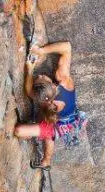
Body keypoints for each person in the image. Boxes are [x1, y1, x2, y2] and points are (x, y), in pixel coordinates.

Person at [14, 41, 87, 169]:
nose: (41, 74)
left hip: (64, 124)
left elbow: (30, 91)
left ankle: (46, 160)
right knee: (46, 132)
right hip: (63, 121)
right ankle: (46, 161)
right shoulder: (63, 82)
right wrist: (42, 51)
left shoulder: (49, 97)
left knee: (20, 131)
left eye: (41, 76)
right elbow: (67, 48)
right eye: (42, 77)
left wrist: (30, 70)